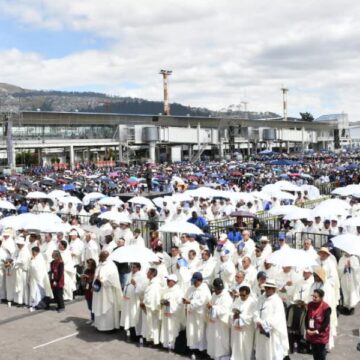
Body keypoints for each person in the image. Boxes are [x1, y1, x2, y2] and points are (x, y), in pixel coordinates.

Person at [254, 278, 289, 360]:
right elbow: (255, 311)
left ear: (274, 289)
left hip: (271, 333)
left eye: (269, 288)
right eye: (266, 287)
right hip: (260, 331)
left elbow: (277, 318)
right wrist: (257, 321)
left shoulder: (277, 301)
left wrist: (264, 324)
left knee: (271, 354)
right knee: (261, 353)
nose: (267, 289)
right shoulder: (260, 299)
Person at [92, 251, 123, 331]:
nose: (99, 258)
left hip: (107, 291)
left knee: (108, 310)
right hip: (99, 291)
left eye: (101, 256)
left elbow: (113, 280)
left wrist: (102, 280)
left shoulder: (111, 266)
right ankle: (100, 326)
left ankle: (109, 327)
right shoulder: (99, 265)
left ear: (105, 257)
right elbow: (96, 275)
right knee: (99, 307)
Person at [183, 272, 211, 353]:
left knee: (200, 332)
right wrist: (185, 302)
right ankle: (192, 349)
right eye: (193, 281)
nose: (194, 283)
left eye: (195, 281)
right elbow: (186, 297)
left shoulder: (204, 289)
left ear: (200, 280)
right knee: (191, 331)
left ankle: (201, 350)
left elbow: (202, 301)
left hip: (200, 315)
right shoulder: (190, 288)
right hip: (191, 315)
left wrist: (190, 302)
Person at [206, 278, 233, 360]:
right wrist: (209, 306)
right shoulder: (214, 295)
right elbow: (210, 304)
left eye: (219, 289)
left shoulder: (226, 296)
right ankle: (213, 356)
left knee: (220, 340)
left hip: (221, 323)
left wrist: (213, 307)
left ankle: (221, 357)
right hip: (213, 322)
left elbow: (225, 309)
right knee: (212, 338)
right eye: (216, 288)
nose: (217, 290)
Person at [120, 262, 147, 340]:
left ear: (139, 268)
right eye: (132, 267)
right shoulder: (130, 274)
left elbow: (142, 290)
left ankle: (136, 334)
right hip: (128, 300)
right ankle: (130, 331)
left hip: (135, 301)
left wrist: (135, 285)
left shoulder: (142, 276)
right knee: (129, 316)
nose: (132, 269)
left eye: (134, 267)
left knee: (134, 316)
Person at [231, 285, 257, 360]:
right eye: (240, 294)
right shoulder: (237, 300)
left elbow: (252, 317)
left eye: (244, 295)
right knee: (237, 345)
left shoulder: (252, 302)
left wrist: (240, 317)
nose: (242, 297)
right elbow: (230, 311)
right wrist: (234, 316)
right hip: (236, 329)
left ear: (248, 294)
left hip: (247, 330)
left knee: (246, 346)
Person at [160, 274, 184, 350]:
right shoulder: (166, 289)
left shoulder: (179, 291)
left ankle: (173, 344)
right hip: (165, 313)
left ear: (173, 282)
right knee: (166, 328)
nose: (167, 282)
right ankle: (166, 344)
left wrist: (170, 304)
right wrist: (162, 302)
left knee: (172, 329)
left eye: (169, 280)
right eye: (167, 280)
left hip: (173, 315)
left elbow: (180, 304)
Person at [306, 289, 331, 360]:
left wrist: (316, 331)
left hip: (321, 335)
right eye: (313, 296)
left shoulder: (326, 308)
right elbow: (306, 318)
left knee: (321, 354)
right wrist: (307, 329)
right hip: (312, 334)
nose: (313, 298)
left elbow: (326, 323)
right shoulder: (310, 305)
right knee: (315, 353)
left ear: (321, 298)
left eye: (315, 297)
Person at [140, 267, 162, 345]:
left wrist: (145, 303)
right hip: (148, 307)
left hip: (153, 308)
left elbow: (154, 297)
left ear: (152, 274)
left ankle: (155, 341)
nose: (147, 273)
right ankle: (149, 339)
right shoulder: (150, 283)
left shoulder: (155, 285)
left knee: (154, 325)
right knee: (149, 324)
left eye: (148, 272)